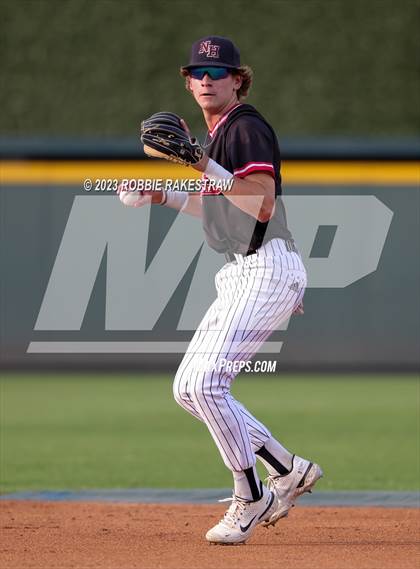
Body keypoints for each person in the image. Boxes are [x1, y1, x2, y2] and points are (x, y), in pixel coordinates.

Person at [120, 35, 322, 545]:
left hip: (264, 265)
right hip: (244, 269)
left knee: (207, 383)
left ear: (238, 79)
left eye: (218, 72)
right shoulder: (216, 139)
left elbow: (261, 205)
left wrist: (199, 164)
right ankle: (287, 468)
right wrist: (162, 195)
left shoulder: (246, 127)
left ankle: (251, 495)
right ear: (188, 82)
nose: (206, 80)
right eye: (198, 73)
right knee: (190, 388)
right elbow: (220, 207)